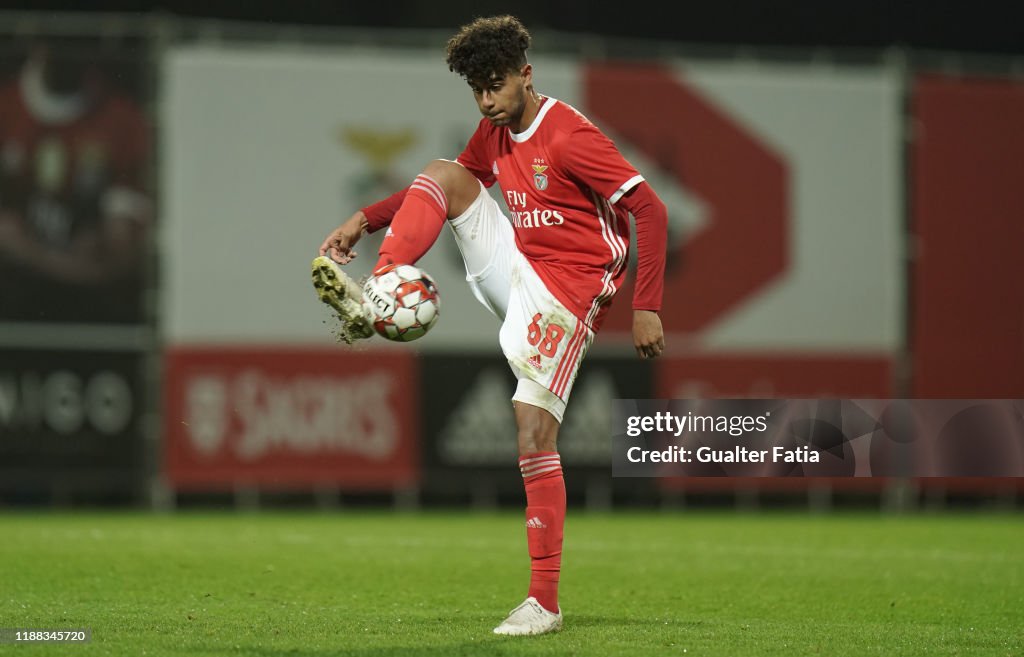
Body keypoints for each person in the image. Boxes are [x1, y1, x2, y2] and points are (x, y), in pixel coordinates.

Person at [314, 15, 667, 636]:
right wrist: (364, 220)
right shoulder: (494, 131)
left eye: (496, 86)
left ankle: (544, 604)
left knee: (532, 434)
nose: (486, 100)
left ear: (526, 76)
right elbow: (448, 186)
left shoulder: (567, 135)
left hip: (569, 293)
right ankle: (384, 284)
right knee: (447, 172)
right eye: (476, 89)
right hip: (521, 267)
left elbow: (649, 206)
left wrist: (647, 304)